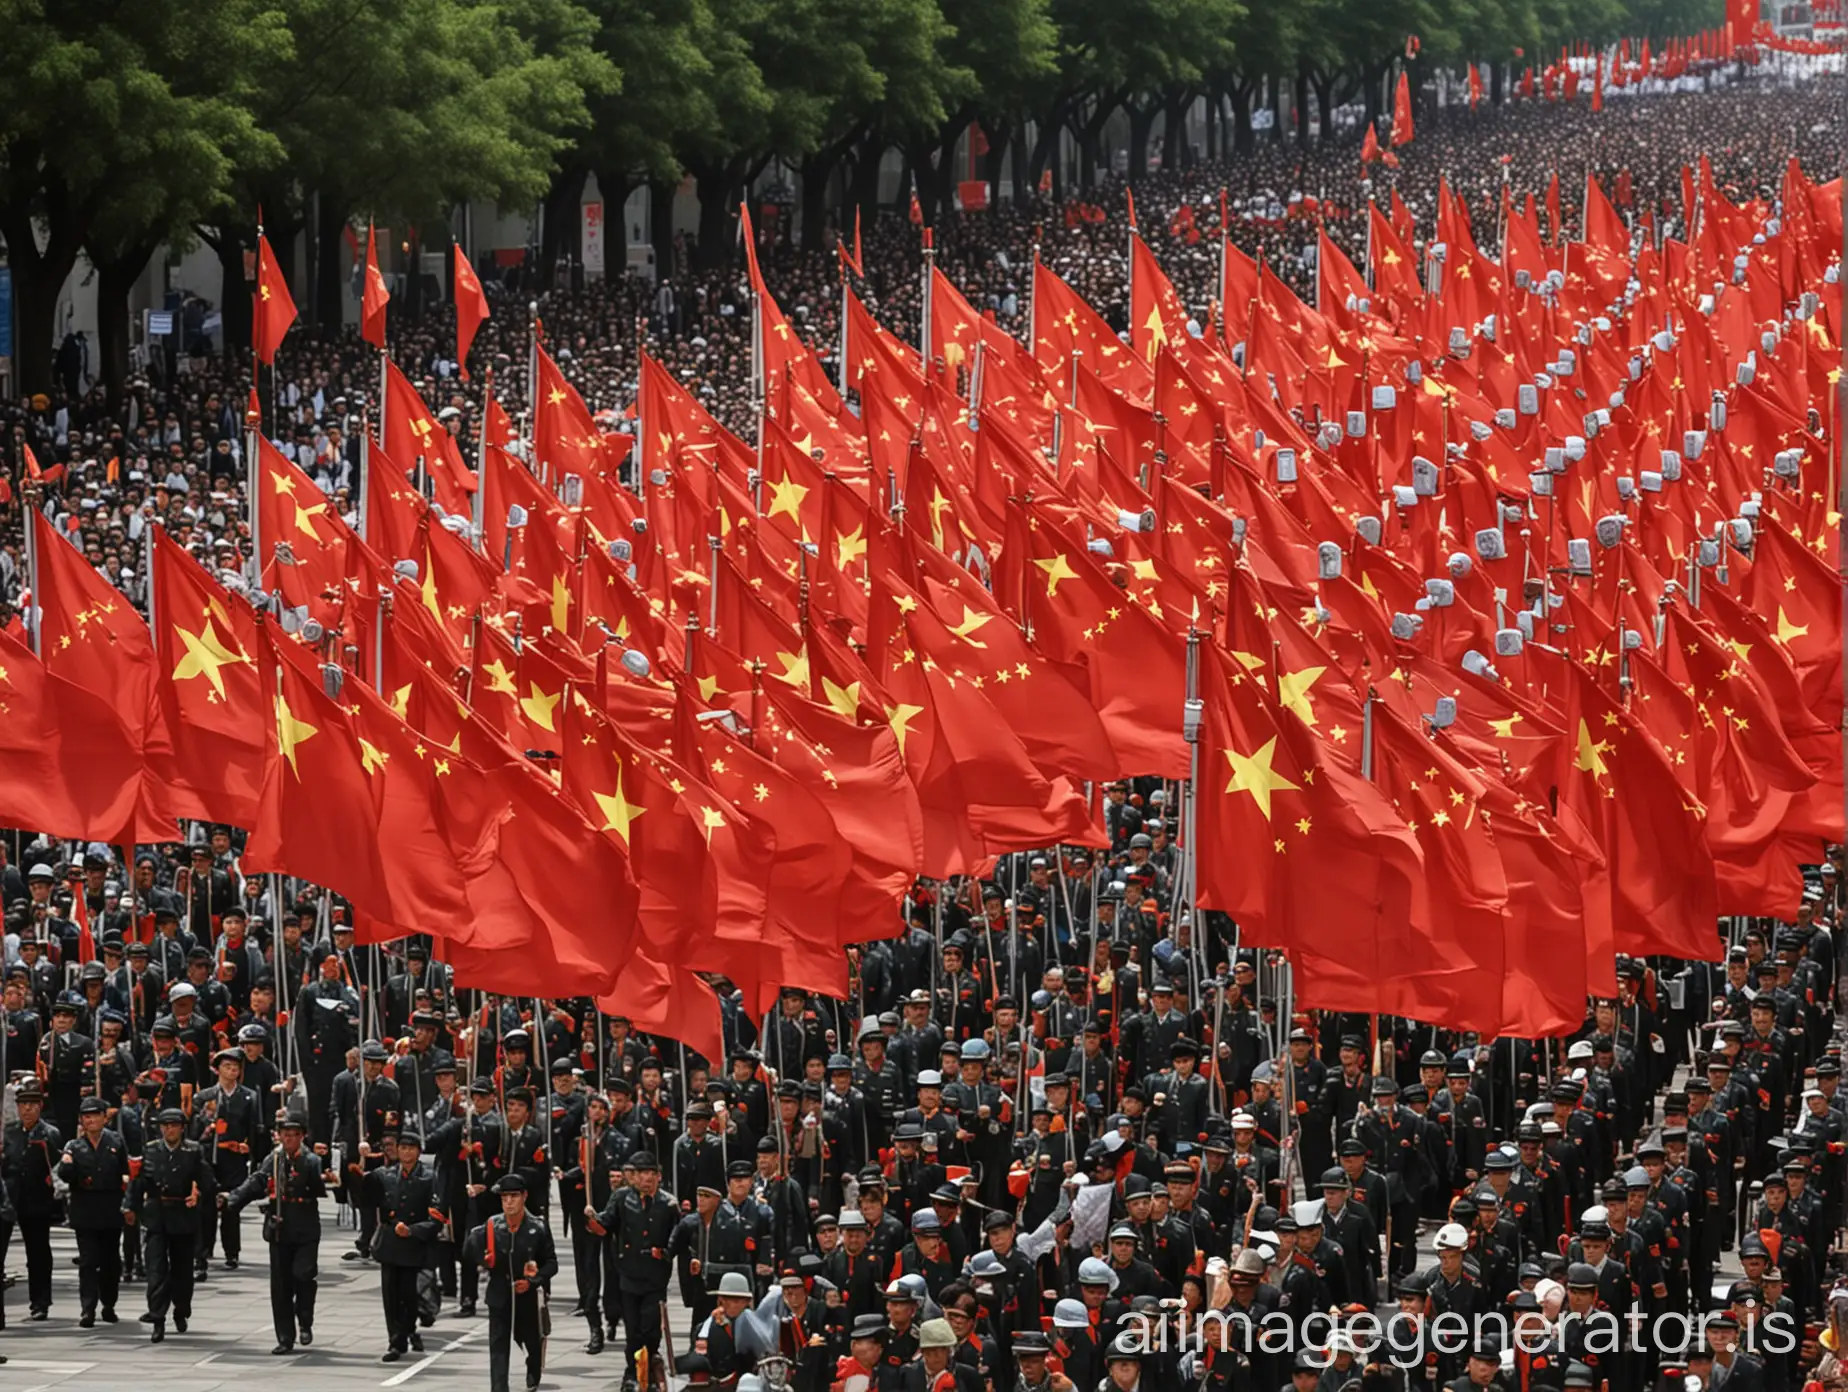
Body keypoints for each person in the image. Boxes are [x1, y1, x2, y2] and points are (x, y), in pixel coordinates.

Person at [226, 1111, 327, 1354]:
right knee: (280, 1285)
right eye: (285, 1135)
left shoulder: (311, 1161)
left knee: (303, 1274)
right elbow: (257, 1182)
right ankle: (284, 1336)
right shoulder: (273, 1159)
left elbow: (321, 1188)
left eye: (294, 1135)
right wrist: (233, 1198)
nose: (289, 1140)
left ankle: (305, 1320)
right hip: (280, 1227)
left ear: (302, 1136)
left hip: (305, 1226)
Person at [125, 1105, 216, 1342]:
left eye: (175, 1126)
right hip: (156, 1214)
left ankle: (182, 1308)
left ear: (182, 1128)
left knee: (182, 1270)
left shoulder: (193, 1151)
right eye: (166, 1126)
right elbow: (139, 1182)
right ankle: (157, 1316)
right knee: (155, 1268)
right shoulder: (151, 1150)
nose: (170, 1130)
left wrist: (200, 1195)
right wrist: (130, 1207)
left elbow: (207, 1181)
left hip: (183, 1216)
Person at [463, 1174, 559, 1392]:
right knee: (498, 1347)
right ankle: (499, 1388)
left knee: (532, 1343)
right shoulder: (491, 1226)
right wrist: (483, 1260)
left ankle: (533, 1371)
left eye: (514, 1196)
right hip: (500, 1294)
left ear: (524, 1196)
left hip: (528, 1297)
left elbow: (552, 1263)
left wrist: (534, 1280)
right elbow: (469, 1250)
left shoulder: (538, 1227)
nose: (509, 1201)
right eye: (504, 1197)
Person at [597, 1148, 678, 1391]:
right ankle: (631, 1372)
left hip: (655, 1278)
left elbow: (678, 1236)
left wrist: (666, 1252)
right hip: (629, 1275)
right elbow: (605, 1224)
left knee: (651, 1329)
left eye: (649, 1173)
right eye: (640, 1173)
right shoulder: (622, 1198)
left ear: (658, 1176)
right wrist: (592, 1219)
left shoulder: (668, 1204)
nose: (645, 1178)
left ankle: (650, 1370)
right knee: (633, 1330)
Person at [366, 1129, 443, 1362]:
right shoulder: (384, 1175)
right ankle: (396, 1342)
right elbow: (366, 1198)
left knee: (409, 1295)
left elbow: (437, 1218)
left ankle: (408, 1329)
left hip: (413, 1243)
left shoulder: (429, 1178)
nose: (407, 1152)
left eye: (411, 1148)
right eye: (403, 1148)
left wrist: (413, 1230)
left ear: (419, 1152)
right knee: (390, 1295)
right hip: (390, 1243)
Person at [58, 1095, 131, 1326]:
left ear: (104, 1118)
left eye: (95, 1115)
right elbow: (64, 1176)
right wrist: (67, 1164)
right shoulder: (74, 1146)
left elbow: (125, 1172)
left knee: (110, 1261)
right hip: (85, 1210)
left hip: (110, 1208)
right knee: (88, 1261)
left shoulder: (116, 1142)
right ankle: (87, 1308)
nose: (90, 1121)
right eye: (86, 1117)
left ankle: (108, 1303)